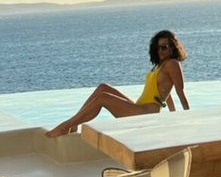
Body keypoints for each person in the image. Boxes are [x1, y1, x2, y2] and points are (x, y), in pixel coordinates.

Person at [46, 30, 189, 137]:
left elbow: (180, 92)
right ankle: (74, 124)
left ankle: (66, 126)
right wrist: (172, 115)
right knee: (103, 88)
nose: (161, 51)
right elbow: (165, 92)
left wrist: (187, 119)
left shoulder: (172, 64)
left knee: (103, 98)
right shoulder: (160, 65)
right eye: (158, 47)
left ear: (173, 47)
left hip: (146, 114)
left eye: (165, 47)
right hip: (139, 108)